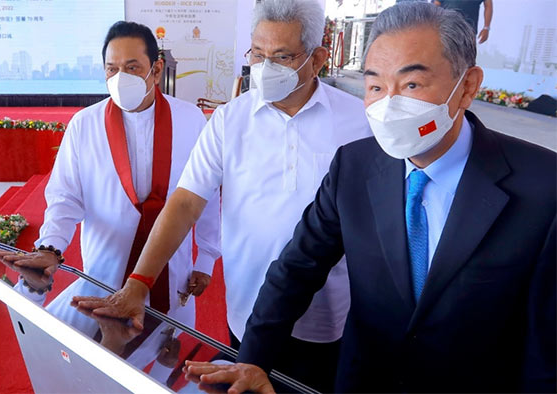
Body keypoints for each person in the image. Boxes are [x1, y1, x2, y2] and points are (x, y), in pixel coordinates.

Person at [185, 2, 556, 393]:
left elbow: (546, 346)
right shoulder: (355, 166)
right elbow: (297, 267)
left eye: (411, 85)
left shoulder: (541, 189)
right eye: (376, 86)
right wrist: (253, 359)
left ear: (466, 86)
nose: (389, 103)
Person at [73, 0, 372, 391]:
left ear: (316, 59)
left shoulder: (359, 122)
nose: (266, 69)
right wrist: (139, 283)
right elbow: (184, 203)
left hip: (329, 316)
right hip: (248, 309)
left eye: (281, 57)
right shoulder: (231, 120)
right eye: (259, 55)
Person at [0, 21, 220, 329]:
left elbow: (206, 195)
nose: (120, 79)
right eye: (111, 69)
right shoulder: (84, 124)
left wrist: (206, 258)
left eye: (131, 68)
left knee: (163, 364)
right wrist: (49, 247)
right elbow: (65, 198)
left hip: (171, 271)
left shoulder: (190, 119)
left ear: (156, 71)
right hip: (104, 272)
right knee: (103, 353)